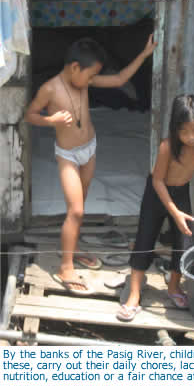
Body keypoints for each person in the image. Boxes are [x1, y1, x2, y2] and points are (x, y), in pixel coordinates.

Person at [24, 35, 157, 295]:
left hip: (90, 149)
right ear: (75, 67)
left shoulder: (83, 81)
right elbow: (29, 114)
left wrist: (144, 53)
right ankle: (65, 267)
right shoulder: (50, 89)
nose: (91, 80)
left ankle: (73, 249)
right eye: (90, 74)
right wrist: (50, 121)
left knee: (80, 207)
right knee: (75, 211)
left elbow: (119, 80)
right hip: (68, 155)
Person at [116, 94, 194, 321]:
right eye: (184, 131)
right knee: (144, 241)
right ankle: (133, 295)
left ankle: (174, 287)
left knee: (184, 242)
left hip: (181, 192)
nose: (190, 137)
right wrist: (174, 212)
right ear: (175, 129)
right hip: (157, 193)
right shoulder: (168, 147)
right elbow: (157, 181)